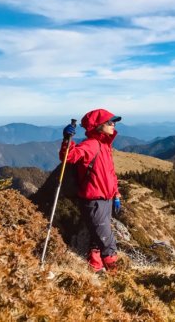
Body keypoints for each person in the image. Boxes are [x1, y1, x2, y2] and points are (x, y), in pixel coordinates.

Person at [60, 108, 122, 273]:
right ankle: (118, 278)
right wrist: (67, 139)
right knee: (107, 242)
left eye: (114, 121)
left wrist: (116, 194)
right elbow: (68, 157)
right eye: (109, 122)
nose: (113, 124)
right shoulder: (91, 145)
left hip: (106, 199)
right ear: (98, 126)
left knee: (97, 238)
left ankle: (95, 269)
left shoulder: (104, 145)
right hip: (93, 201)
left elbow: (110, 173)